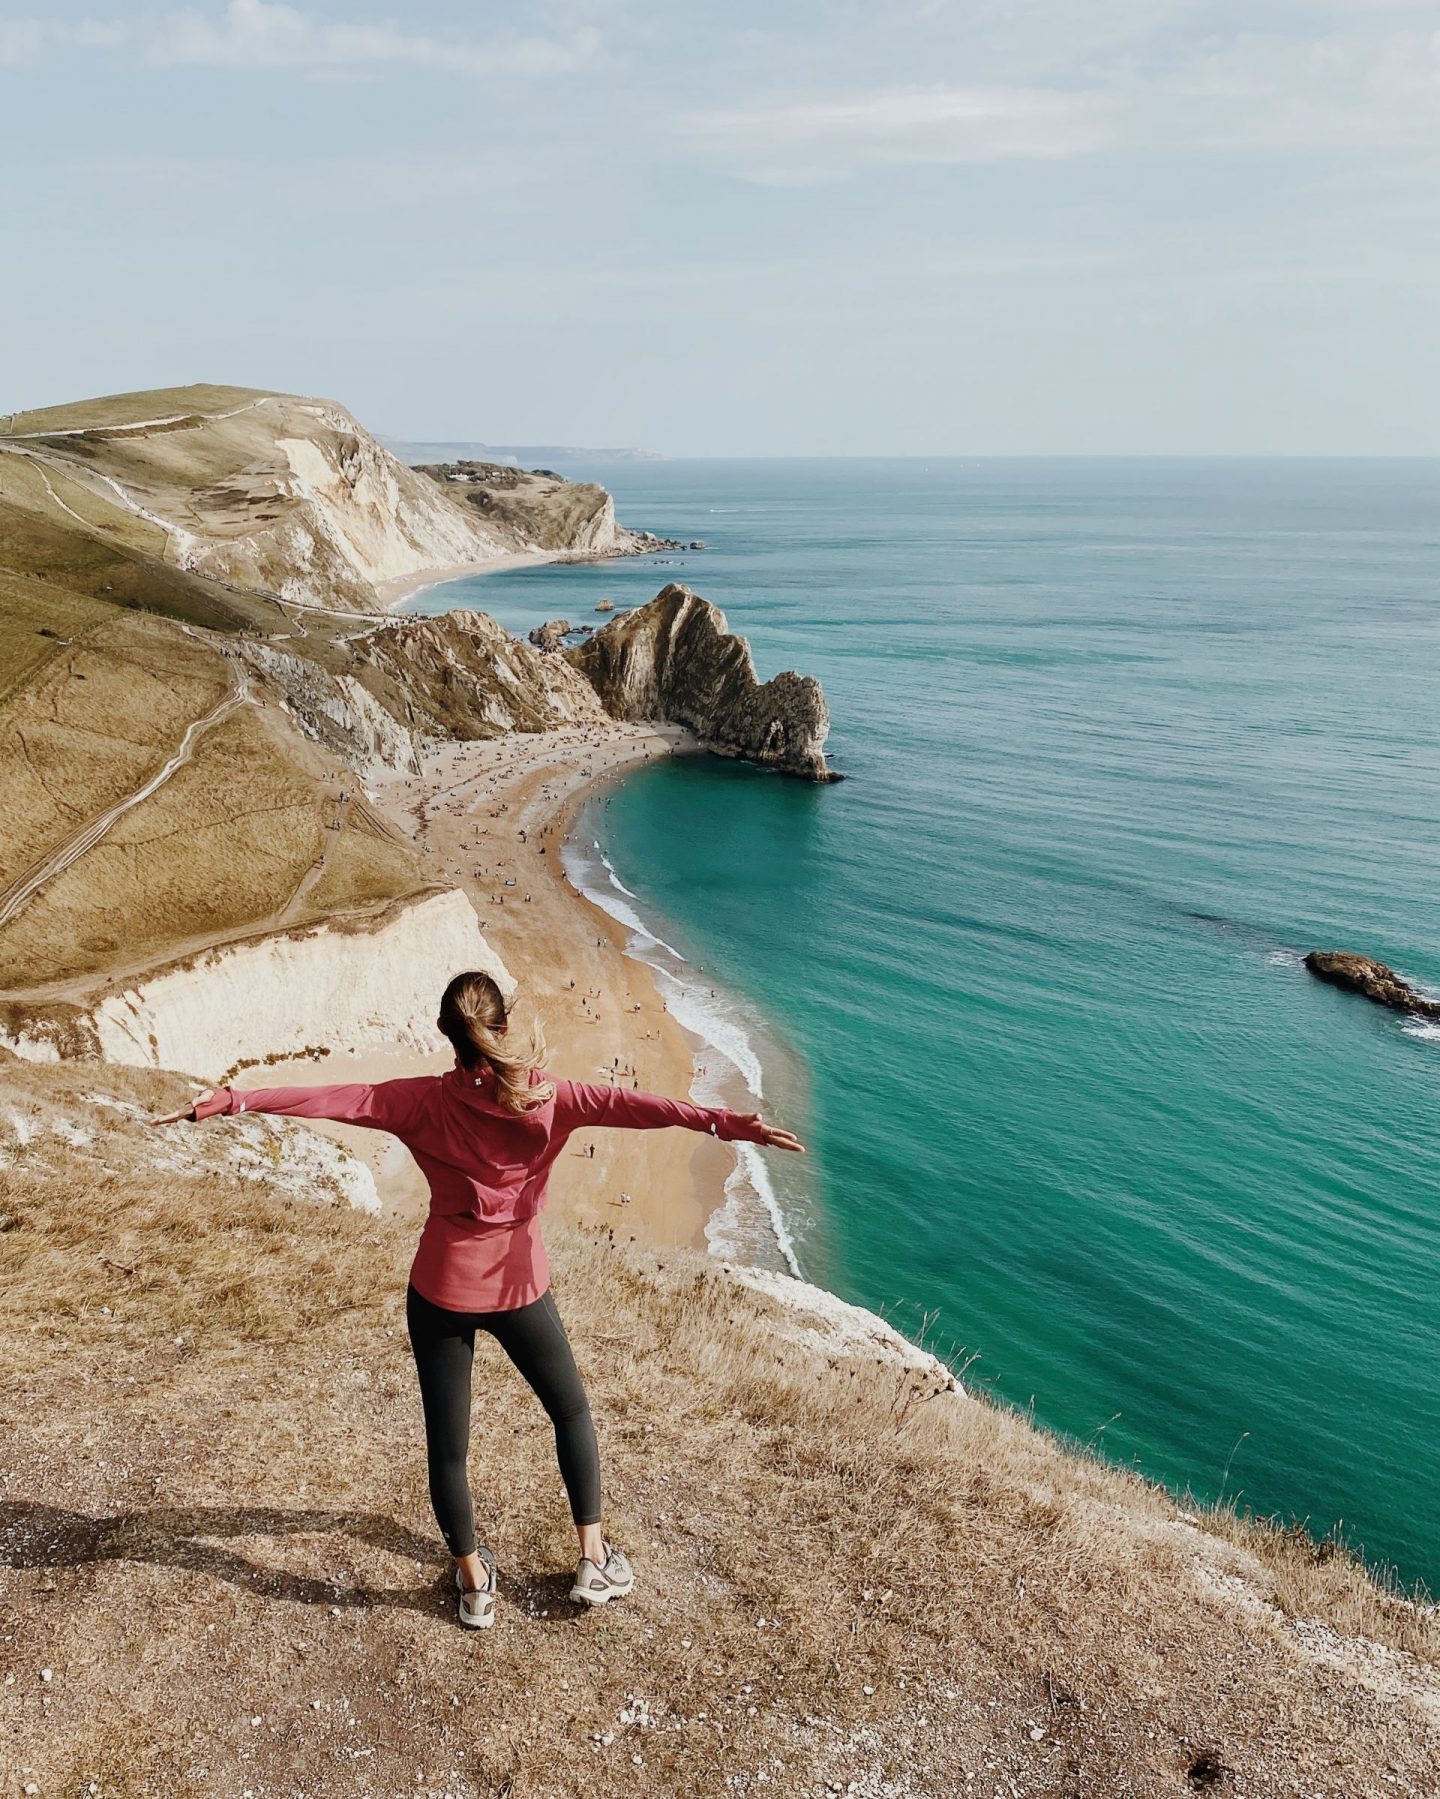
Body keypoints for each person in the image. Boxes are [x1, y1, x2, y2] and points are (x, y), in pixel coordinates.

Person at [149, 969, 803, 1632]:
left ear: (447, 1035)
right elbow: (640, 1109)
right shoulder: (551, 1099)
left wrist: (230, 1100)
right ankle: (593, 1559)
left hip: (439, 1289)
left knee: (448, 1450)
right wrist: (726, 1124)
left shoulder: (419, 1101)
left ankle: (474, 1583)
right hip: (519, 1289)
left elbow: (329, 1098)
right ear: (502, 1026)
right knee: (570, 1409)